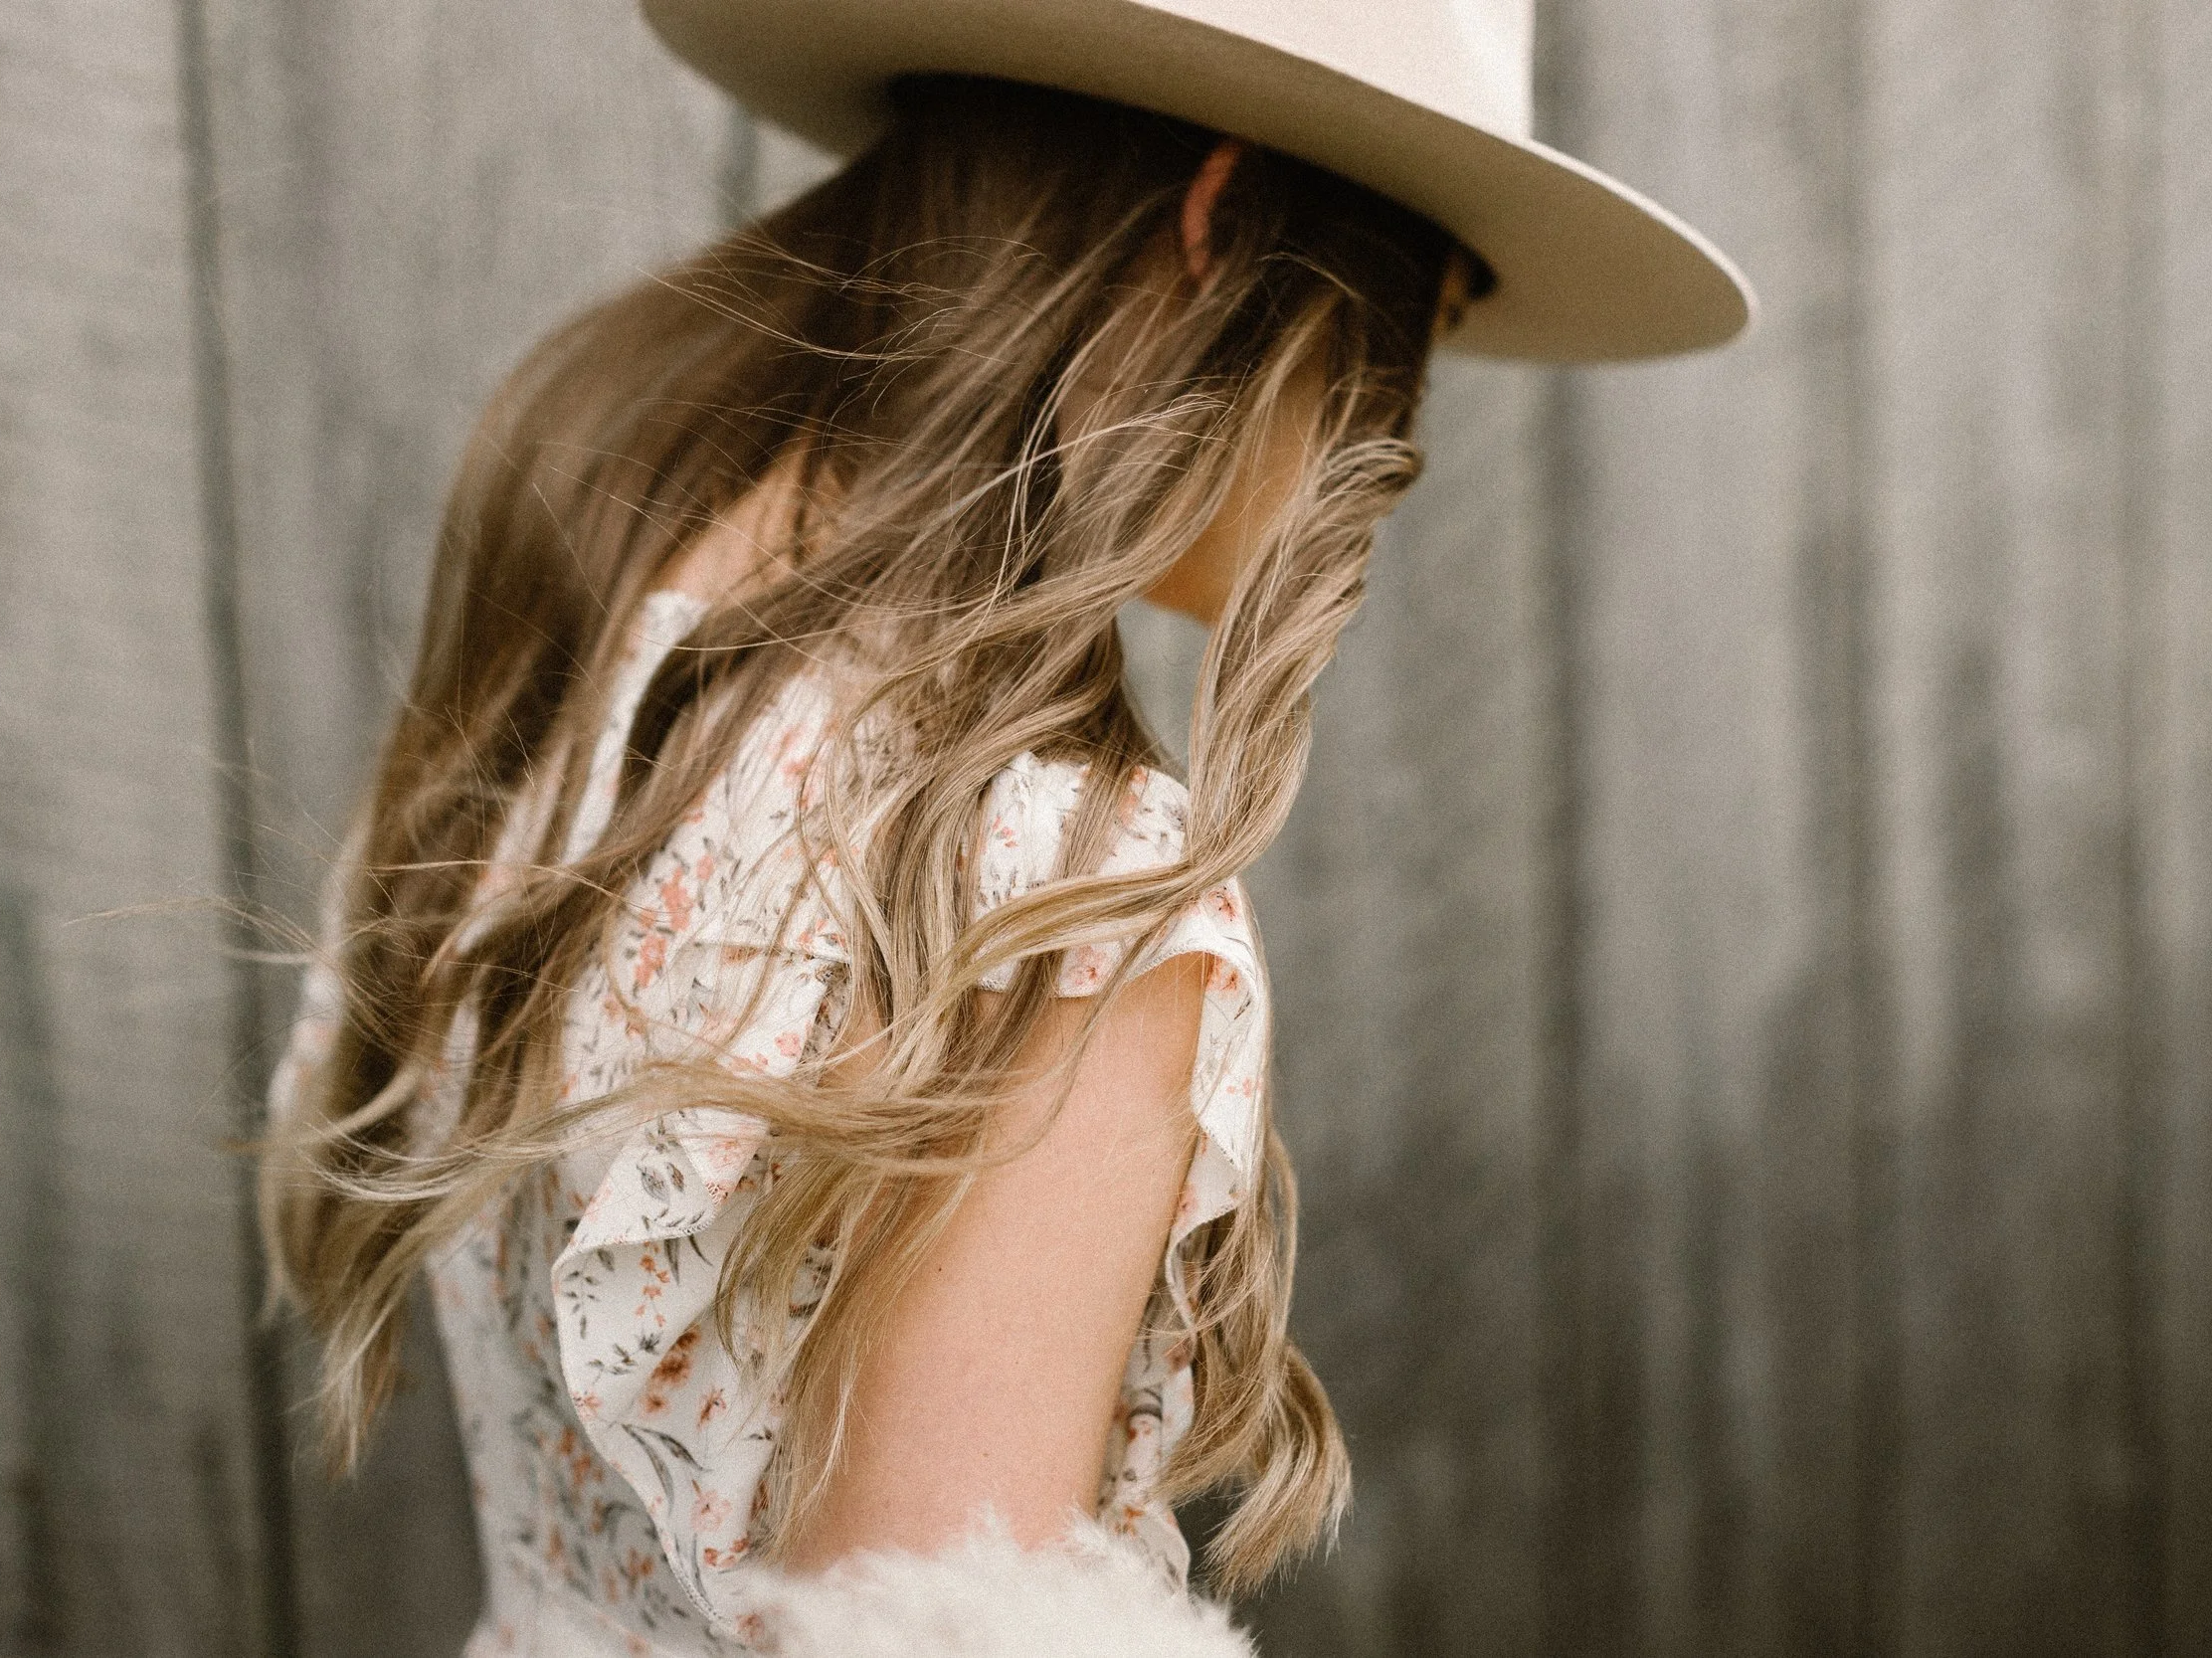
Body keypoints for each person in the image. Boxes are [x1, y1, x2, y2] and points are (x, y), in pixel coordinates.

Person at [261, 3, 1750, 1653]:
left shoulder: (602, 608)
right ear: (1220, 221)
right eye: (1404, 330)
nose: (1393, 449)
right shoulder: (1054, 895)